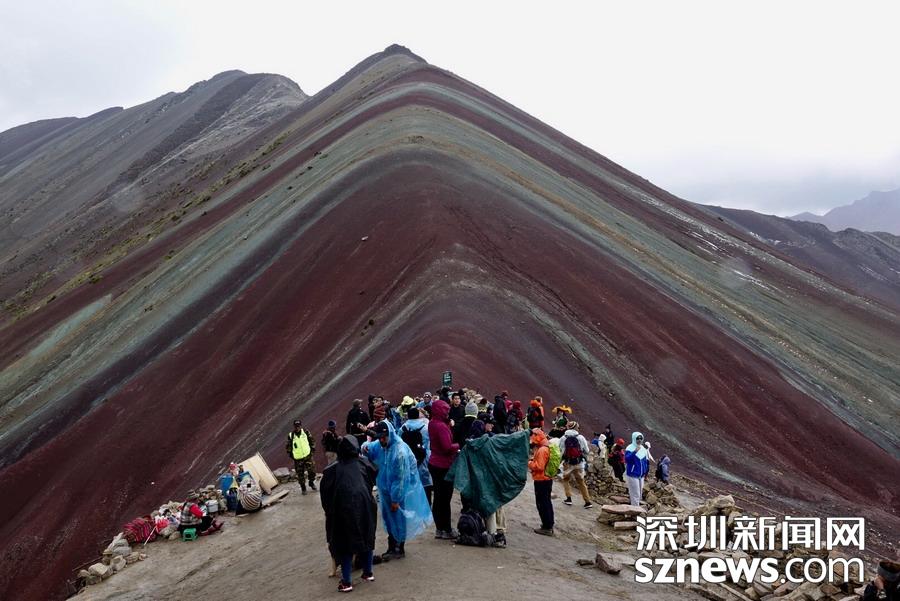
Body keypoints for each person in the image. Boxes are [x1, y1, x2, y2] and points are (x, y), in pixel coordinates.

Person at [363, 421, 432, 560]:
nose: (381, 440)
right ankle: (392, 546)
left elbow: (401, 479)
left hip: (397, 493)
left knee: (398, 519)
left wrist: (396, 499)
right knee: (389, 519)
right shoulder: (382, 445)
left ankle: (398, 548)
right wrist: (365, 447)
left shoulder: (399, 452)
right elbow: (370, 448)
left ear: (390, 434)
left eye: (384, 437)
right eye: (380, 437)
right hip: (386, 490)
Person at [320, 435, 378, 593]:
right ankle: (368, 572)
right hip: (366, 505)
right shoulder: (364, 463)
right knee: (367, 537)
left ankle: (346, 582)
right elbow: (373, 475)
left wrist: (329, 512)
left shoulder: (332, 470)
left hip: (342, 510)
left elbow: (326, 495)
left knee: (344, 544)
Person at [427, 399, 460, 539]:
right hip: (444, 465)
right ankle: (447, 529)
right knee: (445, 499)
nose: (447, 412)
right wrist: (458, 445)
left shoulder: (432, 423)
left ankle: (439, 529)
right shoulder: (441, 426)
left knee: (438, 498)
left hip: (434, 462)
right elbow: (447, 447)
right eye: (445, 410)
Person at [400, 406, 433, 505]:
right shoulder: (425, 427)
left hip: (408, 459)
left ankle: (413, 504)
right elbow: (429, 442)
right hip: (423, 457)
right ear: (418, 415)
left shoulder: (403, 428)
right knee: (425, 482)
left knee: (410, 481)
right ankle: (427, 504)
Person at [557, 422, 593, 508]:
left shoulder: (563, 438)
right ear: (576, 428)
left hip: (567, 463)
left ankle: (568, 498)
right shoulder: (580, 437)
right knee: (581, 482)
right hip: (579, 463)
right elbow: (587, 450)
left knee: (566, 480)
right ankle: (587, 502)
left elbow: (560, 450)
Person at [528, 429, 554, 536]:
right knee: (546, 502)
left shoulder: (542, 450)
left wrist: (529, 463)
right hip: (546, 479)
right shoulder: (546, 446)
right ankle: (548, 525)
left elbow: (539, 466)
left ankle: (547, 527)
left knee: (542, 503)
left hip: (541, 480)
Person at [286, 419, 317, 494]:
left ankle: (311, 483)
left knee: (312, 471)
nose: (297, 427)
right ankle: (303, 488)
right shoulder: (291, 435)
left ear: (301, 425)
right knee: (300, 474)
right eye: (296, 426)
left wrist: (312, 451)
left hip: (308, 456)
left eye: (298, 426)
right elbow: (288, 447)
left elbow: (312, 441)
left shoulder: (306, 432)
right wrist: (292, 456)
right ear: (294, 426)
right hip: (298, 459)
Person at [624, 431, 650, 506]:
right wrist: (635, 451)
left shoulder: (643, 449)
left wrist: (645, 471)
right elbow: (627, 459)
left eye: (641, 438)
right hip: (632, 474)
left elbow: (645, 461)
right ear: (634, 438)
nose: (639, 440)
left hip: (641, 475)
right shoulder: (630, 448)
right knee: (635, 494)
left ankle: (636, 508)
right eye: (637, 438)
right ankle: (635, 510)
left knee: (639, 493)